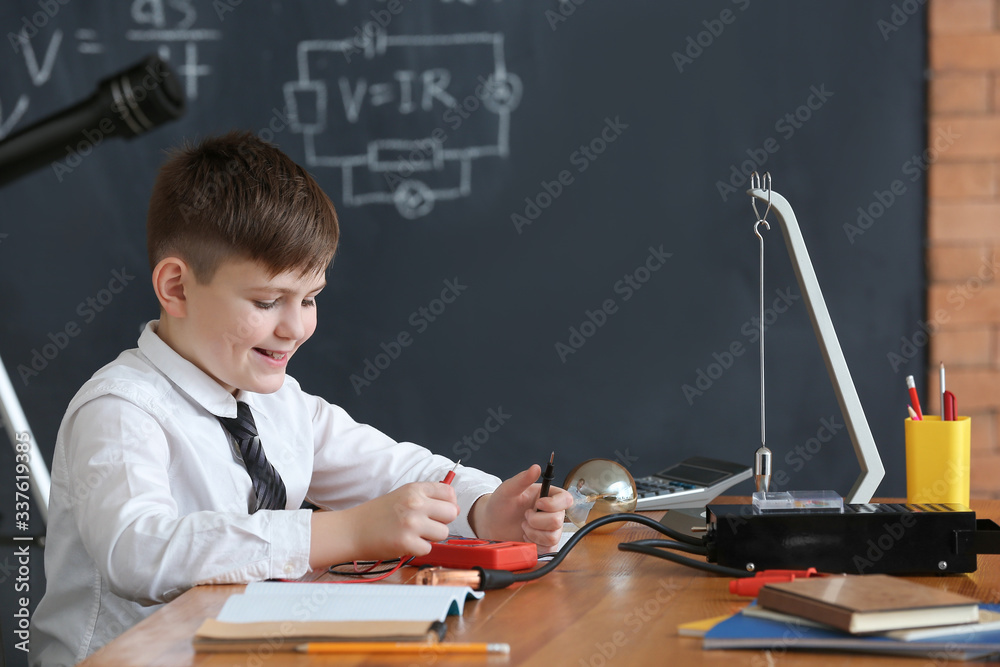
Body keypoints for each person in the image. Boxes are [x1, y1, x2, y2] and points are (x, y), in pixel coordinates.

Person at [30, 131, 572, 666]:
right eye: (268, 301)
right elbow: (138, 551)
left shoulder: (278, 402)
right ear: (176, 288)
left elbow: (399, 471)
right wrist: (344, 531)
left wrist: (483, 509)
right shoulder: (122, 409)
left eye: (310, 298)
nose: (295, 327)